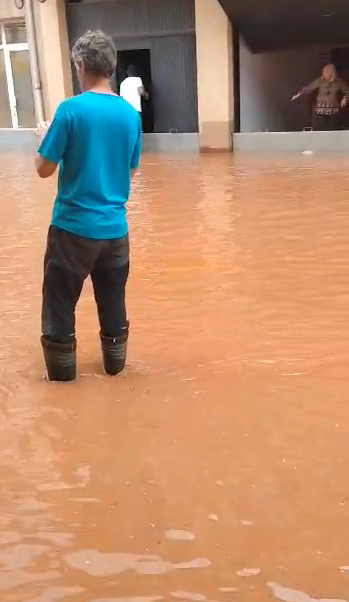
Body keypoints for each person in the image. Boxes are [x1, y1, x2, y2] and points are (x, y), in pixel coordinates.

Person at [35, 30, 142, 382]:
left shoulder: (70, 111)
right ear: (111, 67)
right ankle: (115, 368)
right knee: (113, 303)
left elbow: (43, 169)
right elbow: (130, 167)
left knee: (60, 305)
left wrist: (45, 139)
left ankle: (63, 381)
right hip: (116, 232)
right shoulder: (131, 116)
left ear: (81, 65)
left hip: (72, 231)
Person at [291, 64, 349, 131]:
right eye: (325, 72)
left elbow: (347, 91)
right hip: (320, 110)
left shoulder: (338, 82)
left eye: (328, 72)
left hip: (333, 111)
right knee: (319, 129)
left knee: (331, 130)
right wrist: (298, 94)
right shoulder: (319, 81)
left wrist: (345, 98)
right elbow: (309, 88)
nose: (326, 74)